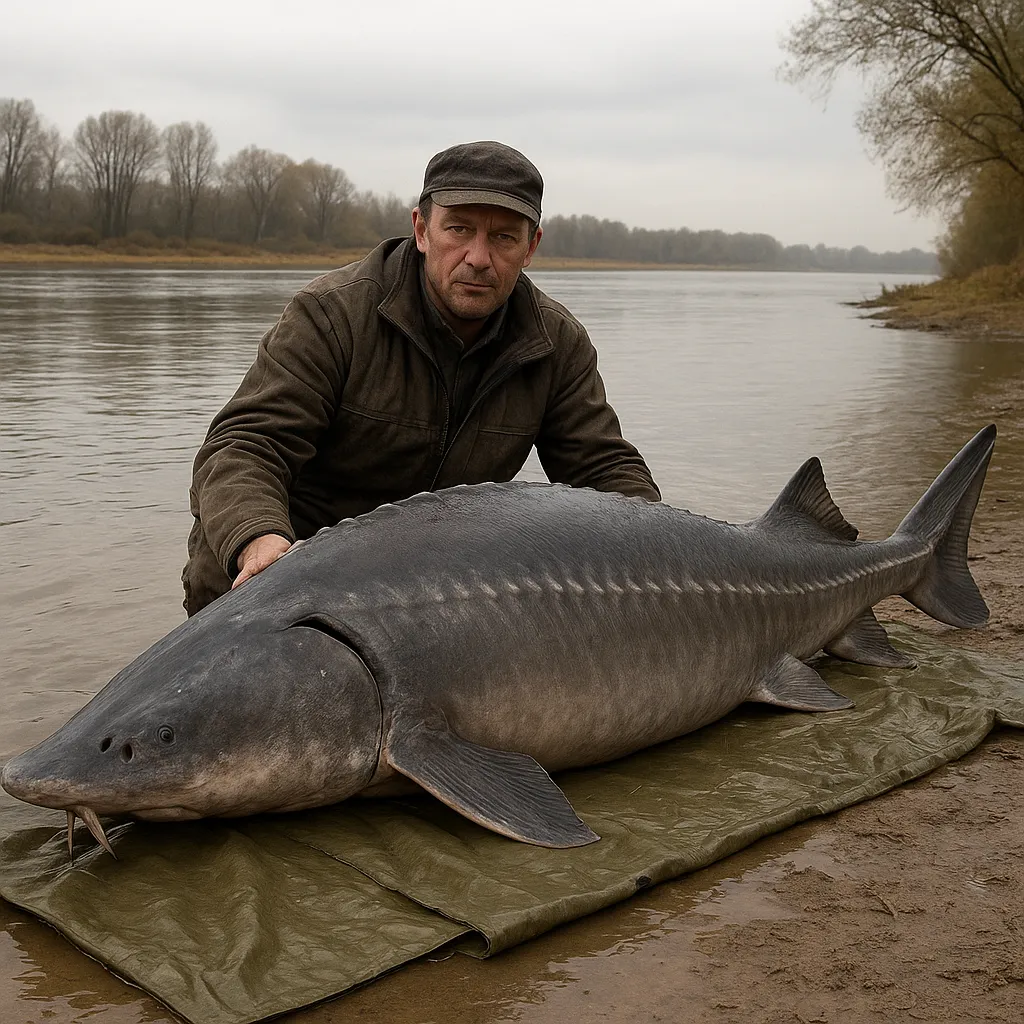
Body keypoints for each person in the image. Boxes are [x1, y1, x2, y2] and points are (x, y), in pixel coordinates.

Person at [182, 140, 660, 616]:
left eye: (503, 238)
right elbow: (244, 446)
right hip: (283, 572)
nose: (478, 257)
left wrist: (661, 551)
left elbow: (603, 471)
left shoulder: (556, 342)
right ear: (421, 230)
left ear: (530, 247)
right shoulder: (331, 315)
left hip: (432, 588)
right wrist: (259, 540)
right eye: (459, 229)